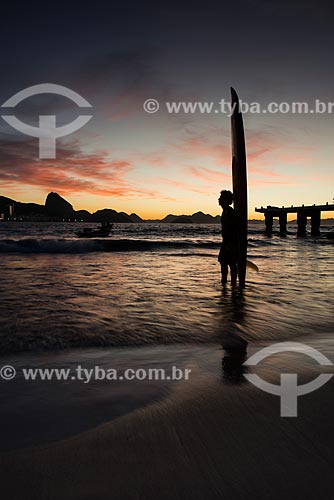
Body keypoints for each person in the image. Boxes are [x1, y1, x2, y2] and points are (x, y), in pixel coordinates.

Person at [218, 190, 239, 286]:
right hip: (226, 241)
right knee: (223, 262)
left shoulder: (231, 213)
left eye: (221, 198)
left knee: (231, 263)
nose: (219, 199)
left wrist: (230, 244)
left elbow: (234, 229)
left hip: (230, 241)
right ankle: (224, 283)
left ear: (226, 200)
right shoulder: (225, 212)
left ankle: (233, 285)